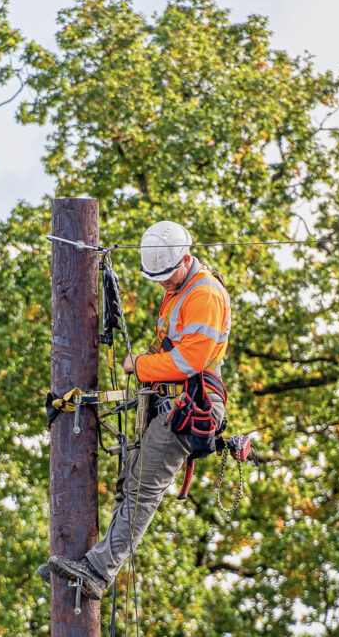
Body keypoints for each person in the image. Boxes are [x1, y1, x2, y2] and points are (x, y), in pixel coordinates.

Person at [41, 220, 232, 600]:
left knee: (142, 492)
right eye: (156, 277)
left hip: (191, 405)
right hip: (172, 402)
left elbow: (188, 361)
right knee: (132, 484)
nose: (161, 283)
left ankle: (96, 572)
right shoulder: (179, 289)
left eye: (166, 275)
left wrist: (139, 365)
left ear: (185, 259)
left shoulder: (204, 295)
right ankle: (94, 561)